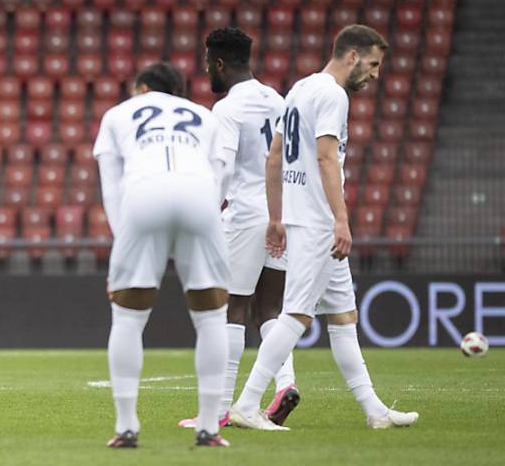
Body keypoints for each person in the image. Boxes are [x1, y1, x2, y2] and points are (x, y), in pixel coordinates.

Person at [229, 25, 419, 431]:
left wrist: (278, 218)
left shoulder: (299, 89)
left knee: (343, 316)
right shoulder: (333, 95)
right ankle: (246, 405)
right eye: (372, 64)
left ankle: (374, 411)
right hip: (319, 222)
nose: (375, 74)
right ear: (351, 56)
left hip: (301, 217)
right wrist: (341, 219)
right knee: (295, 314)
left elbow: (275, 157)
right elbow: (327, 158)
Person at [95, 63, 232, 449]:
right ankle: (208, 427)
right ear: (179, 93)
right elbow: (223, 173)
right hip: (200, 195)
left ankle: (127, 427)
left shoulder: (118, 113)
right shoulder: (204, 117)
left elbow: (112, 184)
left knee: (127, 316)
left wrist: (124, 241)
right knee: (211, 317)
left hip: (144, 193)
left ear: (141, 88)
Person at [178, 28, 299, 431]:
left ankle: (220, 409)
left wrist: (208, 212)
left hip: (246, 212)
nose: (204, 70)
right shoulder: (277, 99)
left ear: (218, 63)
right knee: (271, 308)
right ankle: (285, 384)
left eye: (206, 63)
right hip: (281, 212)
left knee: (229, 308)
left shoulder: (227, 109)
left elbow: (224, 166)